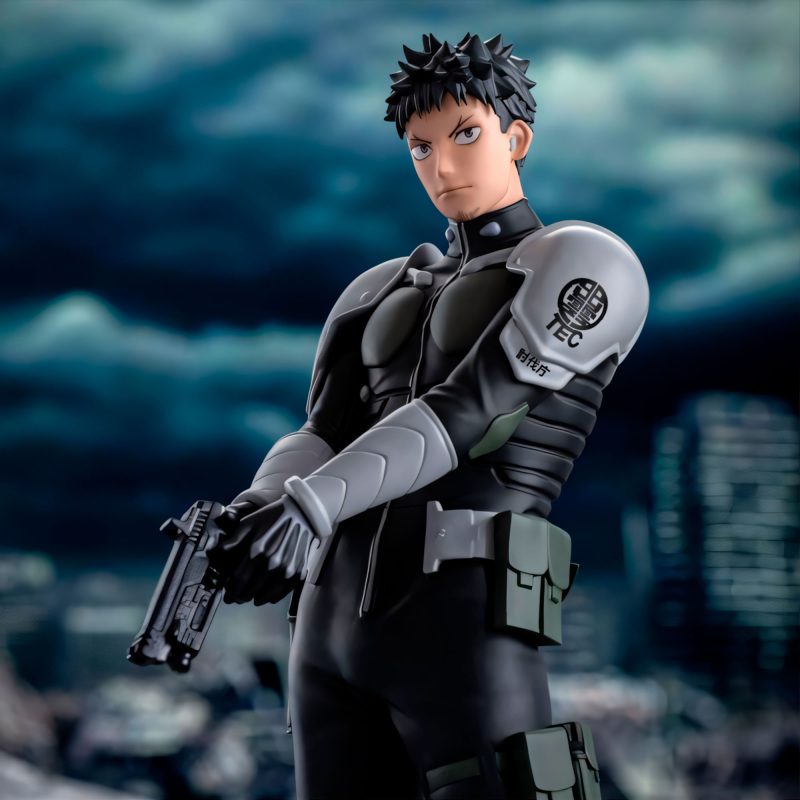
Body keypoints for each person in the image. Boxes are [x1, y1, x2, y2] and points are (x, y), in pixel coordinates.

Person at [211, 33, 648, 800]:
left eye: (464, 135)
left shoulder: (583, 262)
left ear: (517, 138)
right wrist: (265, 499)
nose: (442, 166)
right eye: (420, 146)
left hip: (464, 624)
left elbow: (467, 412)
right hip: (327, 629)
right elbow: (321, 431)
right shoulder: (378, 288)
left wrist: (308, 505)